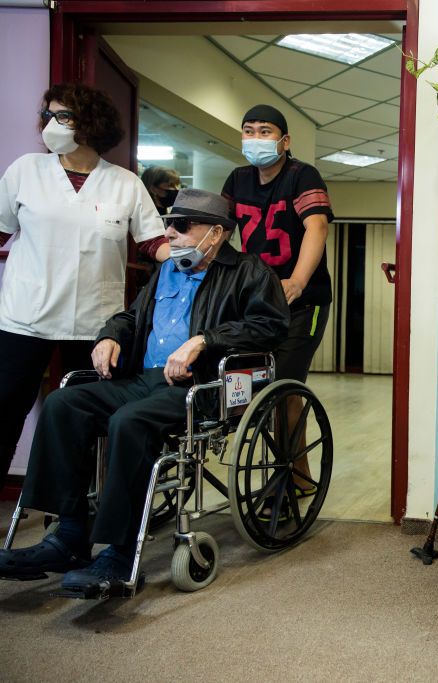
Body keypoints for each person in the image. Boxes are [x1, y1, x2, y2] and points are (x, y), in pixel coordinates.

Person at [0, 189, 289, 595]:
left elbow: (271, 327)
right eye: (170, 224)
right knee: (64, 403)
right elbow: (132, 316)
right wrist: (110, 336)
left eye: (182, 226)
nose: (169, 233)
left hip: (199, 386)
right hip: (144, 377)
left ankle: (118, 552)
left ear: (217, 233)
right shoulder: (167, 270)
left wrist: (205, 339)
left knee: (129, 421)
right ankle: (68, 535)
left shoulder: (250, 272)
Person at [0, 83, 169, 489]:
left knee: (84, 416)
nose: (51, 125)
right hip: (26, 316)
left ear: (90, 123)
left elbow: (154, 243)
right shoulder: (26, 170)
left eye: (64, 116)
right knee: (4, 411)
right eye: (48, 116)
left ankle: (74, 511)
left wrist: (198, 259)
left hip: (95, 325)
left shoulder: (124, 183)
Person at [221, 104, 332, 495]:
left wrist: (298, 281)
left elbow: (316, 226)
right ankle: (299, 475)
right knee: (268, 389)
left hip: (306, 300)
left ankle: (286, 477)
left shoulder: (302, 176)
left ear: (284, 141)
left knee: (283, 384)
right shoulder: (237, 180)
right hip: (259, 300)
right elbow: (220, 233)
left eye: (265, 131)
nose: (255, 138)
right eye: (248, 130)